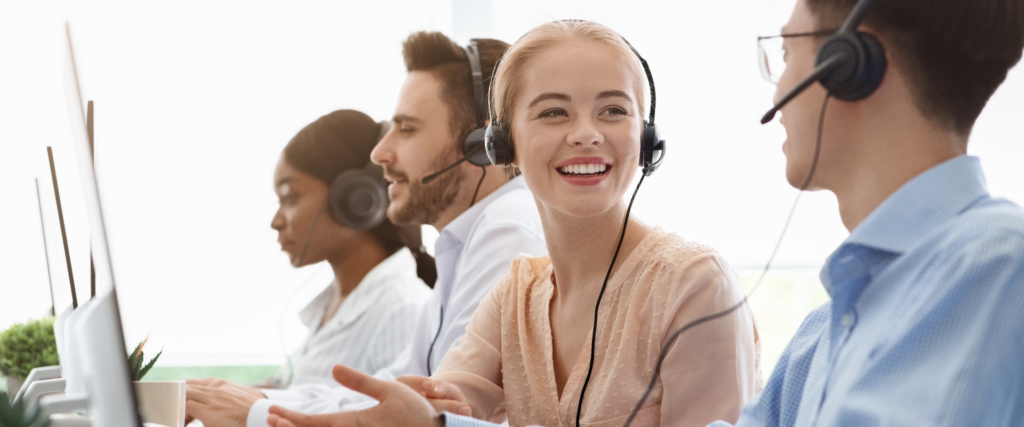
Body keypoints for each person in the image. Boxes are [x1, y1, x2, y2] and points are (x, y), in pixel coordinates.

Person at [267, 20, 763, 427]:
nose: (587, 134)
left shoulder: (694, 285)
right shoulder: (516, 296)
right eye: (554, 113)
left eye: (613, 110)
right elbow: (446, 400)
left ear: (646, 136)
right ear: (501, 146)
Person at [184, 31, 548, 427]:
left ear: (481, 142)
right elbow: (393, 389)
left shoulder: (509, 227)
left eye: (406, 129)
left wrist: (254, 412)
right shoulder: (466, 243)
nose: (379, 153)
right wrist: (252, 399)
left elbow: (437, 412)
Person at [185, 109, 434, 425]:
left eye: (290, 197)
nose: (276, 221)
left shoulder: (402, 310)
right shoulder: (331, 305)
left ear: (356, 201)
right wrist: (200, 396)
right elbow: (288, 389)